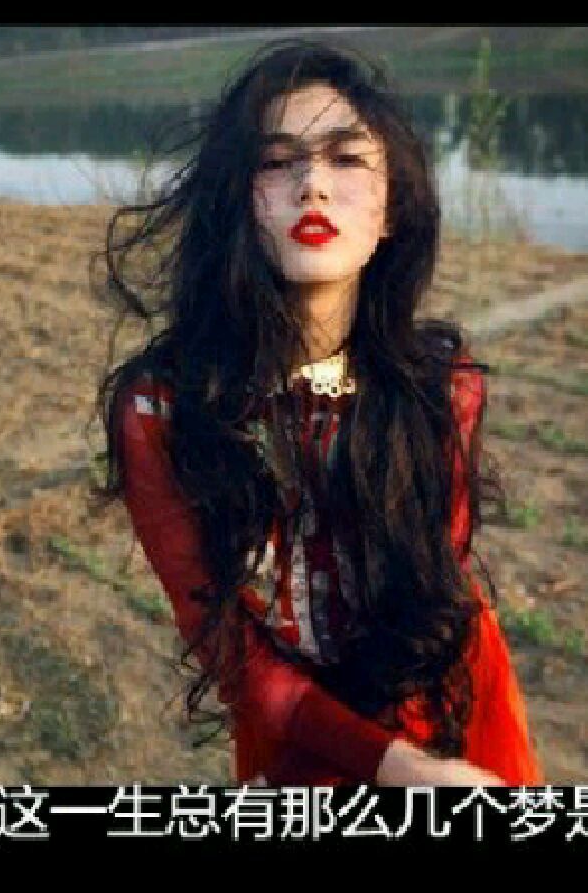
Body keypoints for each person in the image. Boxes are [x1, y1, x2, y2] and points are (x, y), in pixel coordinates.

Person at [94, 39, 543, 786]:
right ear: (239, 202)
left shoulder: (442, 385)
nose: (313, 186)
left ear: (391, 207)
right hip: (300, 740)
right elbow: (234, 656)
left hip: (454, 715)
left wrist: (434, 766)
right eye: (278, 161)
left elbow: (436, 590)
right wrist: (391, 765)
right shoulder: (163, 408)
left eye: (347, 159)